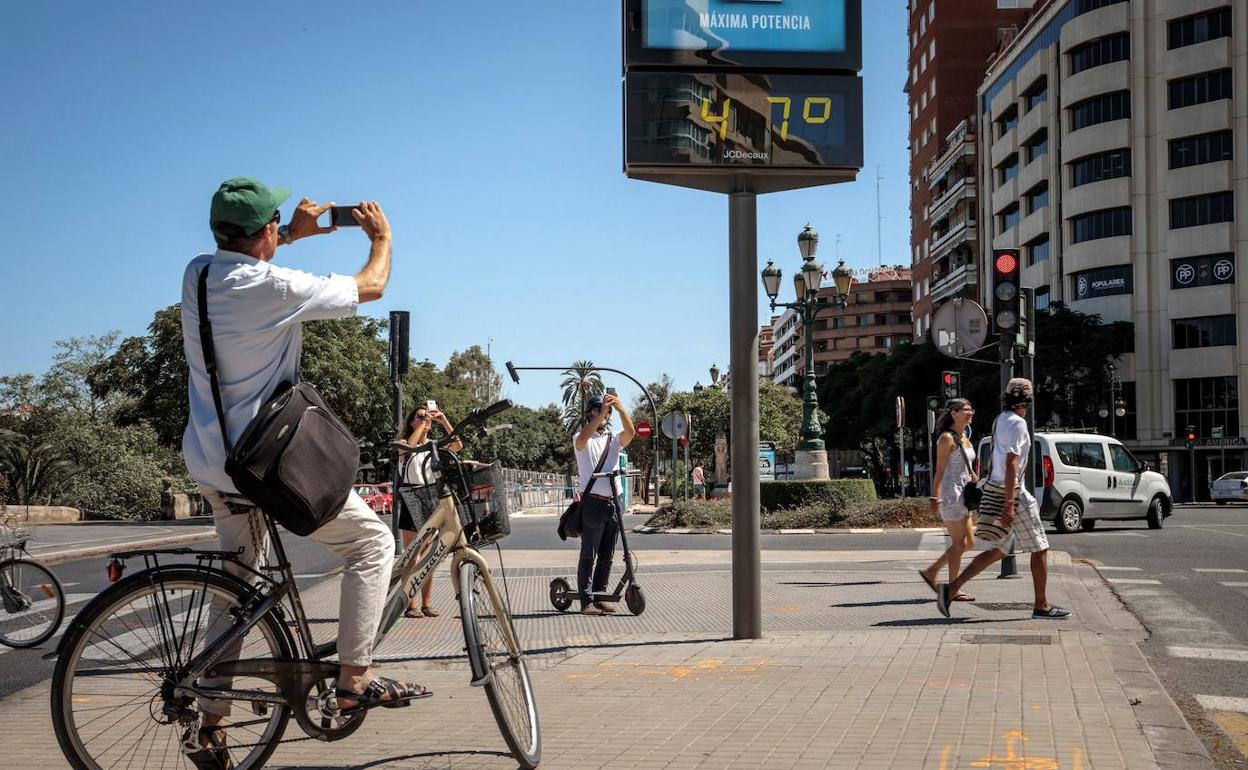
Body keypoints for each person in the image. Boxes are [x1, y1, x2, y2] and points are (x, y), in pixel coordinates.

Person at [181, 178, 423, 767]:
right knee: (371, 544)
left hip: (213, 460)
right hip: (264, 465)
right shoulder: (272, 286)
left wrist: (292, 234)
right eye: (275, 228)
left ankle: (210, 724)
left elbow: (250, 259)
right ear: (263, 231)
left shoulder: (199, 274)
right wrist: (382, 238)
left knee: (237, 588)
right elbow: (372, 284)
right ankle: (353, 683)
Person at [935, 378, 1070, 620]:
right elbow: (1011, 463)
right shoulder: (1018, 424)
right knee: (1040, 547)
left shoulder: (1001, 420)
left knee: (1000, 549)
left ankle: (950, 589)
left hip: (996, 487)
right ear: (1028, 400)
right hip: (1013, 492)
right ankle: (1041, 605)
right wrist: (1010, 503)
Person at [396, 403, 462, 618]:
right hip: (410, 497)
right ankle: (410, 603)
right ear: (411, 421)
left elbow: (457, 445)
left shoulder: (433, 445)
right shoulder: (403, 443)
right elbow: (408, 450)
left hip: (429, 498)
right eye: (419, 416)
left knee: (429, 556)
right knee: (412, 555)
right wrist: (421, 427)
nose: (425, 419)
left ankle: (426, 603)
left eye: (427, 417)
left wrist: (443, 420)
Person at [572, 393, 636, 614]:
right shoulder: (581, 439)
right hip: (592, 502)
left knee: (607, 555)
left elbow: (631, 433)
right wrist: (600, 415)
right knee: (588, 553)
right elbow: (582, 438)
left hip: (613, 503)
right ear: (591, 412)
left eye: (605, 411)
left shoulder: (613, 439)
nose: (603, 414)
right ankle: (586, 600)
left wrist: (619, 407)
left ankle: (600, 594)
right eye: (599, 410)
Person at [919, 399, 978, 602]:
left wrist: (973, 475)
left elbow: (965, 464)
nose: (971, 413)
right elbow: (940, 470)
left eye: (971, 409)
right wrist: (935, 497)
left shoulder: (965, 436)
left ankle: (932, 571)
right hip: (951, 494)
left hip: (965, 494)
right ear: (954, 413)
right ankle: (953, 587)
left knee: (969, 542)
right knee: (959, 543)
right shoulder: (946, 438)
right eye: (966, 410)